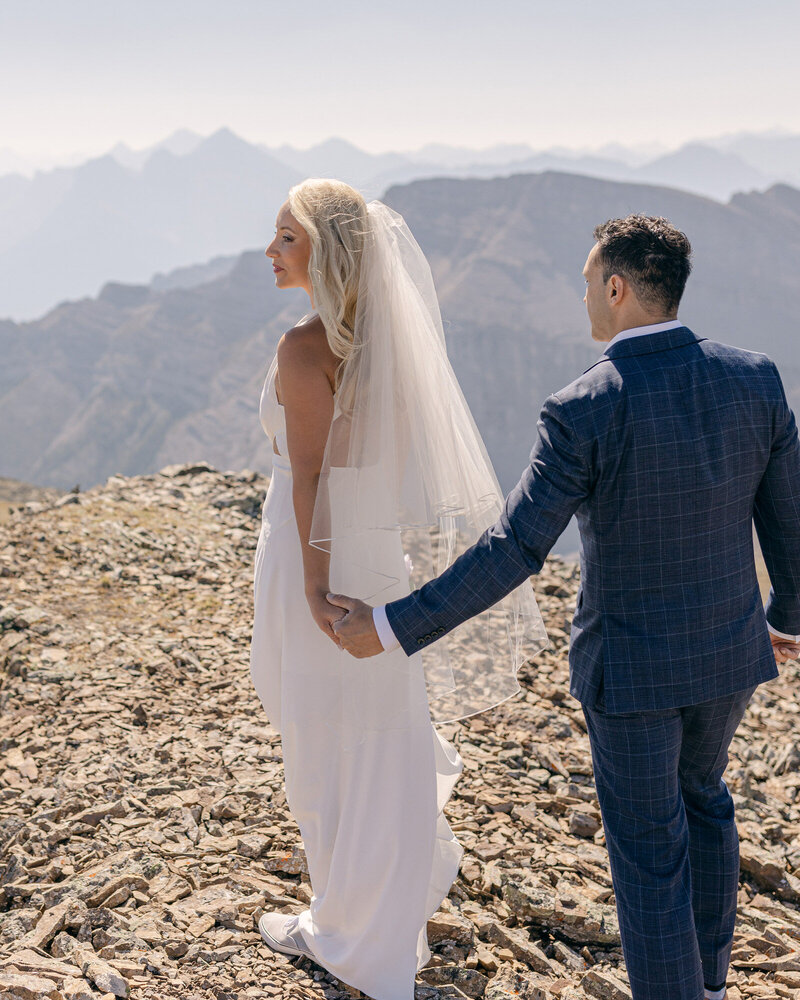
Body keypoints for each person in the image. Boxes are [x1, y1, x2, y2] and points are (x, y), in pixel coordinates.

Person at [330, 214, 800, 1000]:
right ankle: (711, 987)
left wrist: (391, 626)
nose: (583, 293)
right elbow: (788, 518)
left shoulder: (583, 406)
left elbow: (515, 549)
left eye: (588, 280)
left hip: (631, 671)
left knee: (650, 851)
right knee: (707, 803)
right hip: (728, 654)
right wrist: (785, 617)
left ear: (617, 289)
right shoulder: (756, 377)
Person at [248, 178, 547, 1000]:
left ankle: (344, 931)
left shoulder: (303, 348)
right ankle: (378, 917)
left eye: (286, 238)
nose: (269, 251)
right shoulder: (390, 344)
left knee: (320, 738)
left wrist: (312, 588)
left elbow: (309, 476)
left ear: (327, 251)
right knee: (380, 735)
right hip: (376, 559)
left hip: (317, 554)